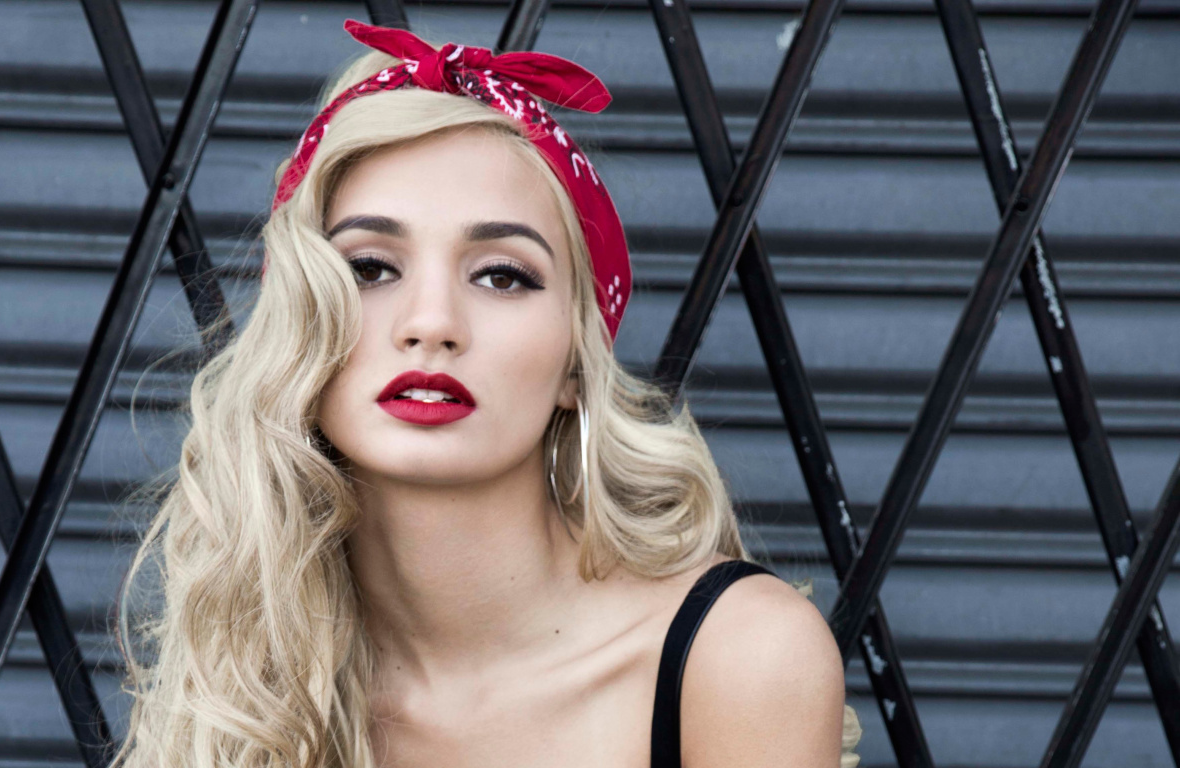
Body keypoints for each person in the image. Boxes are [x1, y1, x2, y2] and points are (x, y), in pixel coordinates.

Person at [111, 19, 863, 768]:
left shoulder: (737, 658)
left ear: (576, 363)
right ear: (297, 326)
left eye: (502, 275)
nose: (432, 324)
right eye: (370, 268)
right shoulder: (247, 679)